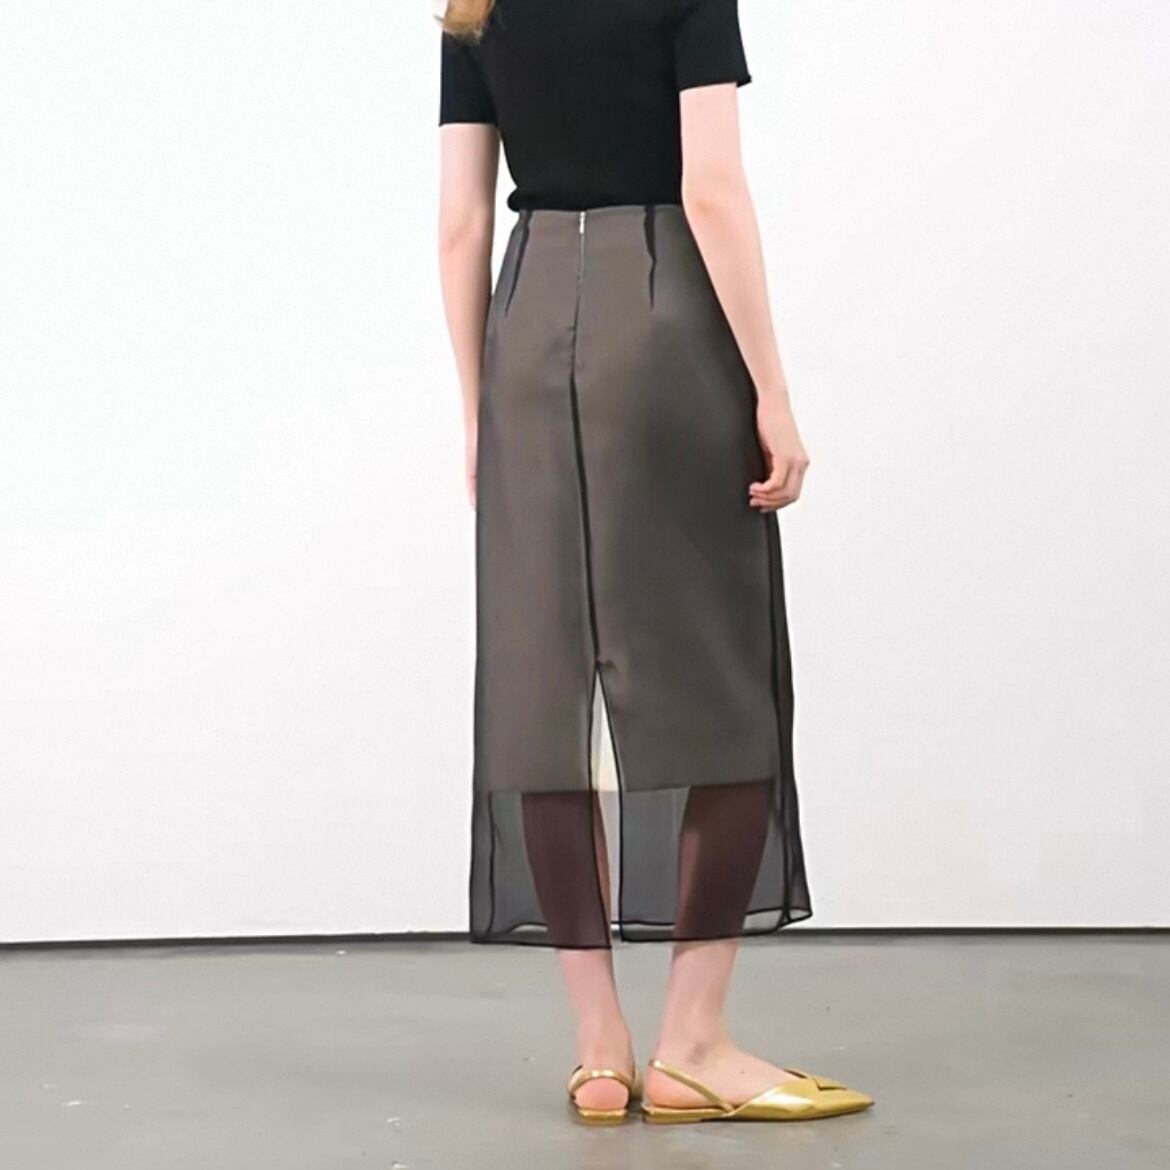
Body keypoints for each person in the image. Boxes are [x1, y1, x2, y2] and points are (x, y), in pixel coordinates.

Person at [436, 0, 873, 1125]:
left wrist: (479, 408)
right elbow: (711, 189)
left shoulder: (475, 9)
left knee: (544, 686)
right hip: (665, 312)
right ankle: (692, 1044)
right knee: (721, 670)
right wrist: (773, 392)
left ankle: (599, 1051)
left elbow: (461, 224)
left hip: (527, 327)